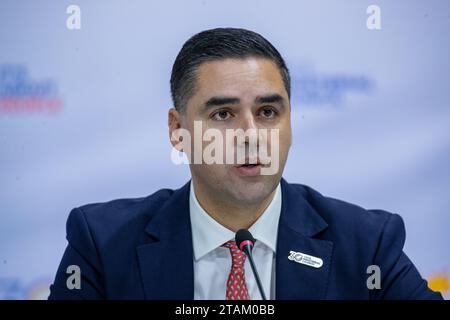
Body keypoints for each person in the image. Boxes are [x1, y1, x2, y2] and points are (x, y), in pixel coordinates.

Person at [48, 28, 443, 300]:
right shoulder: (103, 244)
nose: (252, 135)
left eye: (269, 111)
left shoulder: (367, 244)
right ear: (177, 129)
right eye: (223, 115)